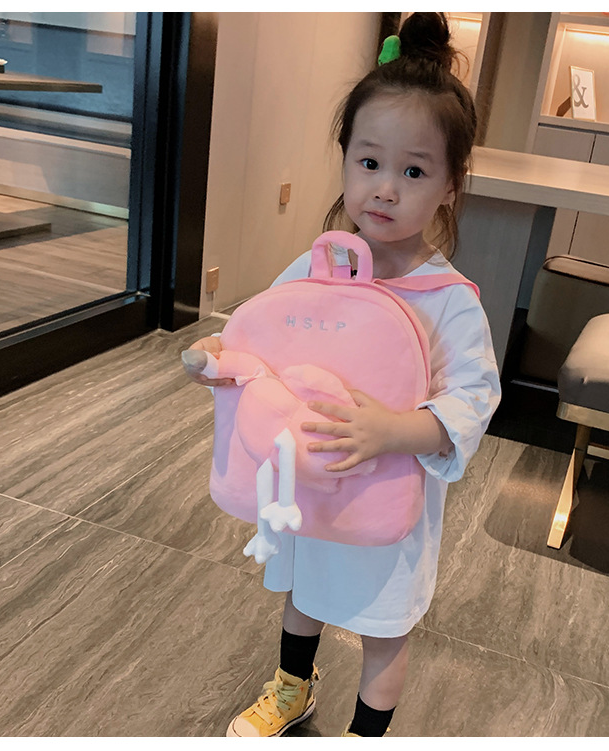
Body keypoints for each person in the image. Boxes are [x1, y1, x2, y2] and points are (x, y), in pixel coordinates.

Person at [185, 12, 501, 737]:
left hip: (385, 500)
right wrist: (223, 363)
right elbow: (263, 343)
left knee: (384, 626)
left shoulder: (449, 301)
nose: (385, 189)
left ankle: (365, 734)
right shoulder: (315, 268)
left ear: (450, 186)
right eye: (369, 163)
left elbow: (474, 399)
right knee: (303, 589)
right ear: (345, 160)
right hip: (312, 480)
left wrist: (394, 430)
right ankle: (292, 689)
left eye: (413, 171)